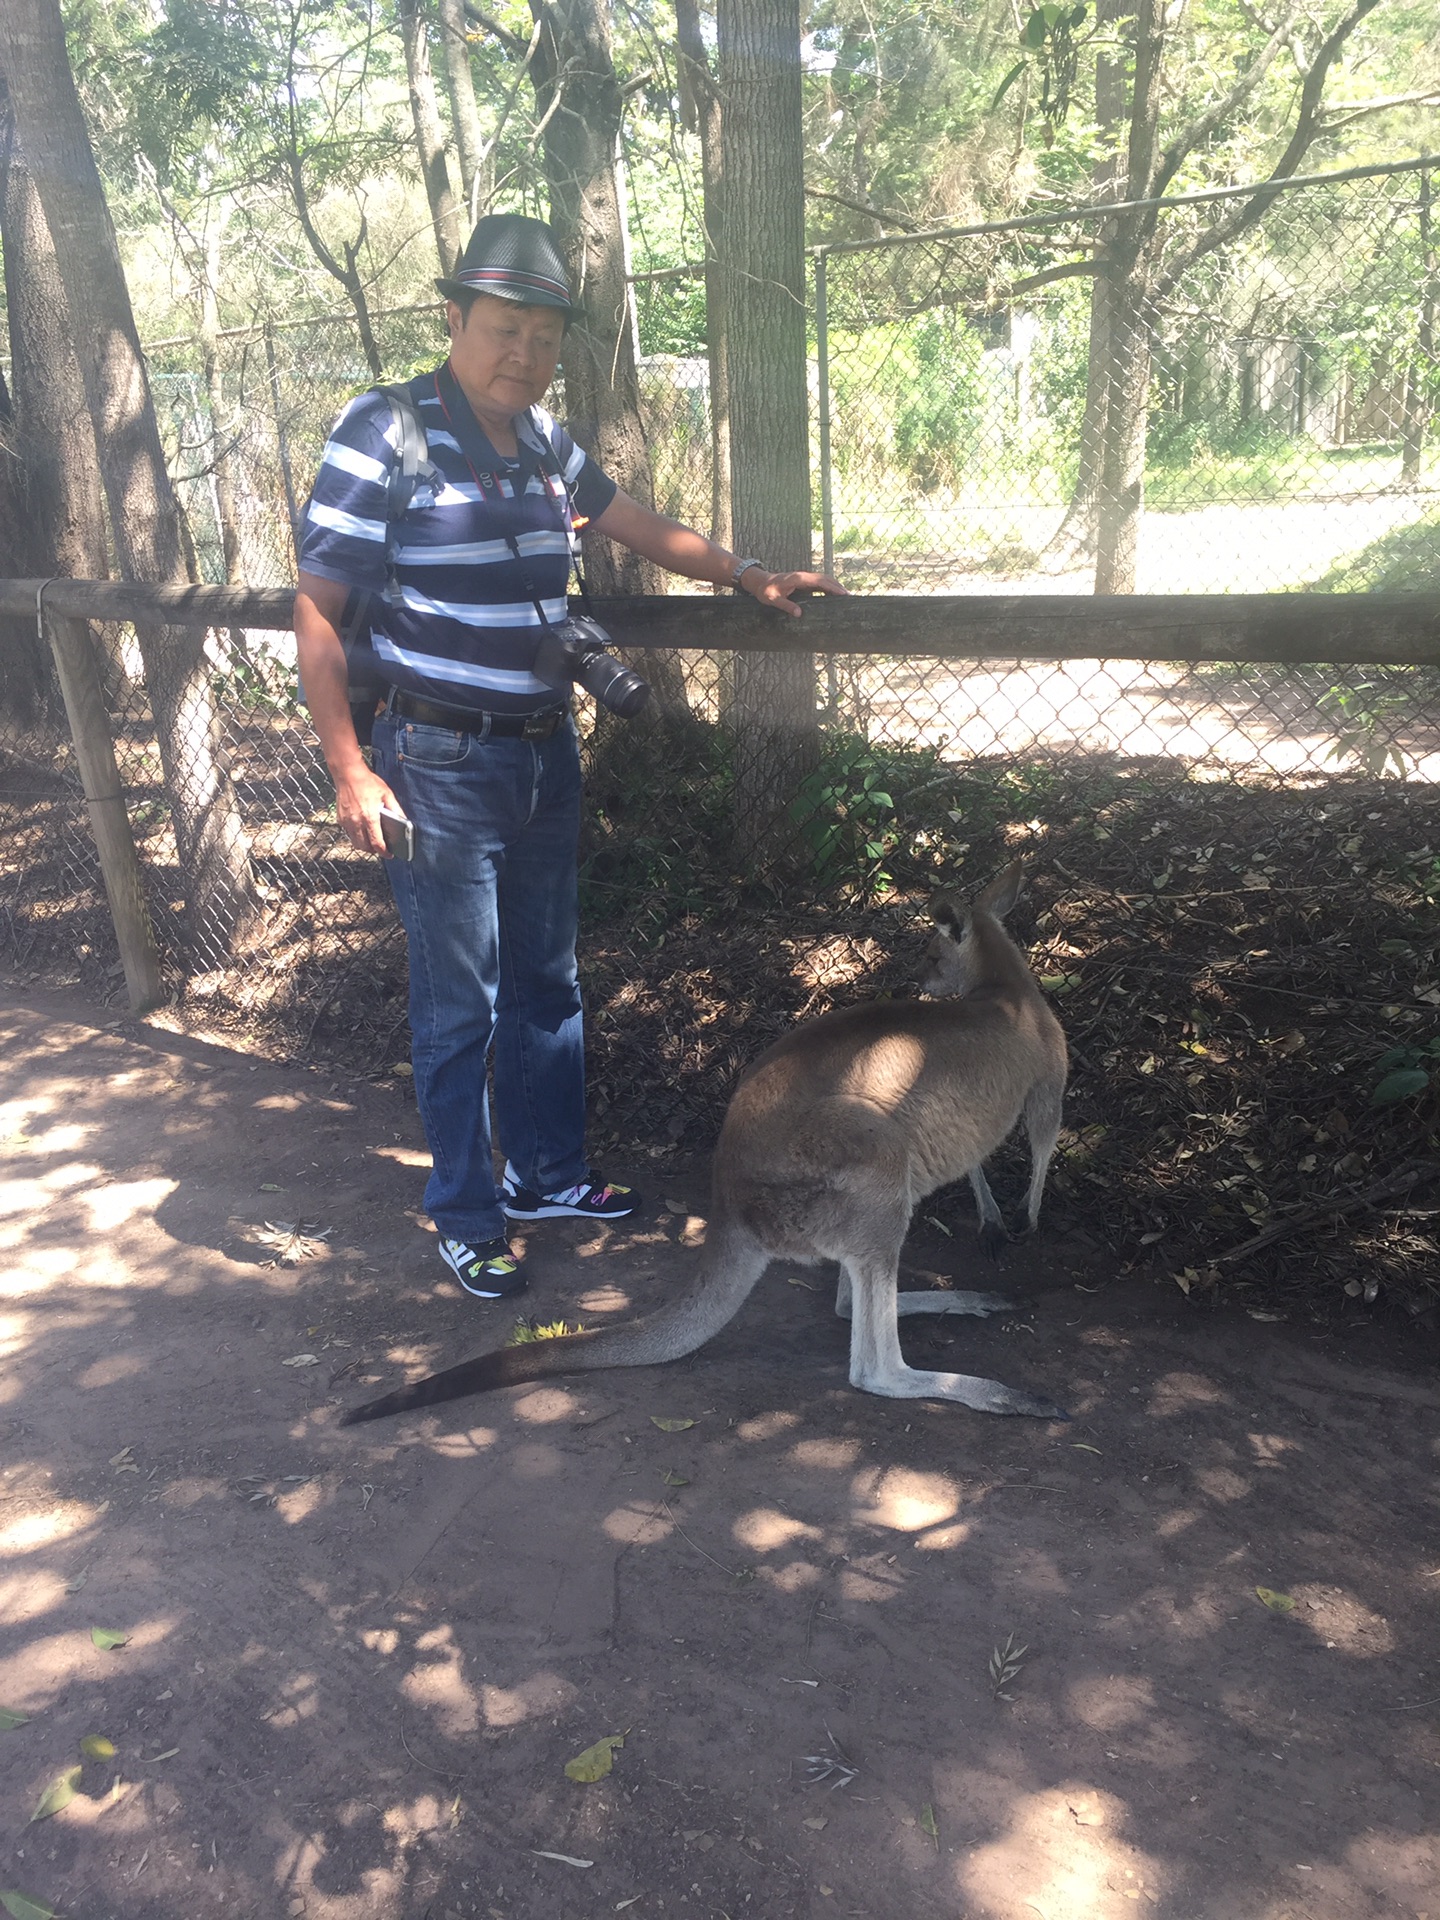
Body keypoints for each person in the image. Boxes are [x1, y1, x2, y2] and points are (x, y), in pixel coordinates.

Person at [295, 212, 845, 1302]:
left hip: (546, 754)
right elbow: (317, 610)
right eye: (504, 330)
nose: (525, 356)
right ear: (454, 319)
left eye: (544, 338)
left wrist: (745, 572)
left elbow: (629, 518)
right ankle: (464, 1208)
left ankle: (546, 1175)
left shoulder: (543, 439)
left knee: (549, 982)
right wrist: (350, 767)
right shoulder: (383, 431)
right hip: (437, 764)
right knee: (460, 1002)